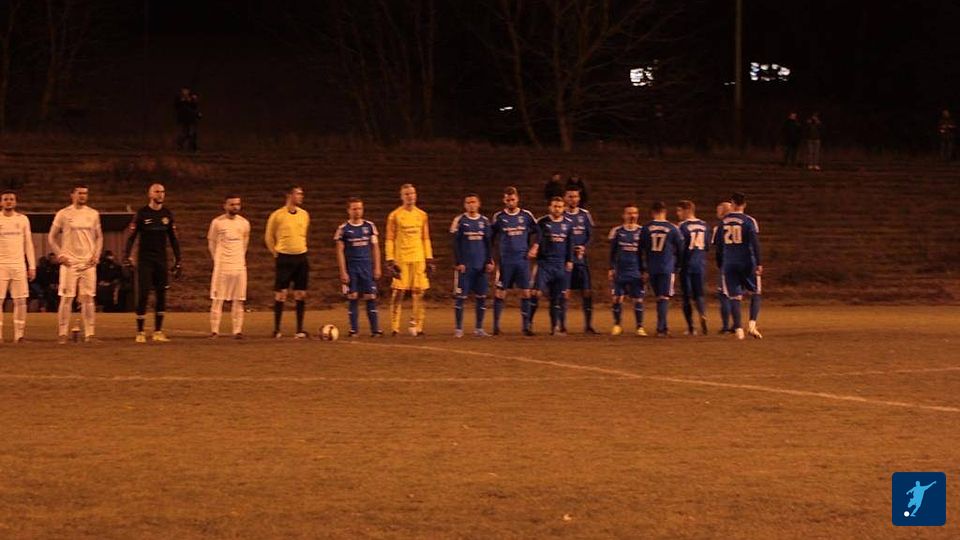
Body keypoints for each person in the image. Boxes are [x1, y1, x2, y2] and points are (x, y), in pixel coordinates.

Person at [124, 183, 182, 343]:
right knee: (143, 294)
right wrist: (127, 256)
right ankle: (140, 332)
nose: (160, 194)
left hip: (161, 260)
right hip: (145, 260)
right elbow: (131, 238)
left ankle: (158, 331)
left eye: (162, 191)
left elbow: (173, 239)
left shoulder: (167, 214)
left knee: (161, 294)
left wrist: (178, 259)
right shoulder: (142, 213)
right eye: (157, 191)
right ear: (150, 194)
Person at [48, 184, 102, 343]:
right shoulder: (63, 214)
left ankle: (90, 334)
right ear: (72, 195)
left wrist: (96, 255)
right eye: (80, 193)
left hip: (88, 263)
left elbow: (99, 236)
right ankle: (63, 334)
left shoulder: (93, 214)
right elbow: (51, 237)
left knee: (88, 298)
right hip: (69, 264)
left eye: (85, 193)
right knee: (66, 298)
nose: (83, 196)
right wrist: (60, 255)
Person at [385, 184, 434, 336]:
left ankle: (417, 326)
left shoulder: (422, 215)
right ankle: (395, 327)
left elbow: (425, 238)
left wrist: (429, 258)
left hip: (418, 258)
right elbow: (390, 238)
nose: (410, 196)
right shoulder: (394, 215)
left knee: (419, 292)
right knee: (398, 292)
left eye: (412, 193)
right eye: (406, 194)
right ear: (401, 196)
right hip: (401, 258)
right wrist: (390, 259)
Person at [490, 187, 538, 336]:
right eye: (508, 200)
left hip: (522, 260)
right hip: (505, 261)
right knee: (500, 292)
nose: (510, 202)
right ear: (504, 200)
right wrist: (490, 256)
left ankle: (526, 327)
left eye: (513, 199)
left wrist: (535, 247)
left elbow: (539, 232)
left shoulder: (526, 215)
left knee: (526, 292)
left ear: (517, 199)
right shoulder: (499, 217)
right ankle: (496, 327)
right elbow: (491, 237)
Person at [265, 185, 310, 339]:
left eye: (301, 194)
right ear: (289, 195)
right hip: (284, 258)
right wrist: (276, 253)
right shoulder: (277, 215)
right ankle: (277, 329)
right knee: (281, 294)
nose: (301, 196)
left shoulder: (304, 214)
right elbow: (269, 237)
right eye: (298, 194)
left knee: (301, 294)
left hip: (301, 257)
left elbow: (303, 234)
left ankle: (299, 329)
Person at [716, 191, 762, 340]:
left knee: (734, 296)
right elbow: (754, 243)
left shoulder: (723, 221)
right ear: (745, 204)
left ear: (732, 204)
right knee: (755, 293)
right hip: (747, 262)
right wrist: (759, 263)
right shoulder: (749, 221)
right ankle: (752, 325)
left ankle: (738, 330)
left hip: (729, 263)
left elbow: (719, 246)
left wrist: (720, 263)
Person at [334, 197, 382, 338]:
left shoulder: (370, 226)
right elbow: (339, 251)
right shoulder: (343, 229)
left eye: (360, 208)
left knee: (370, 296)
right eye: (354, 209)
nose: (357, 211)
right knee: (353, 296)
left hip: (367, 267)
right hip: (352, 268)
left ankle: (375, 330)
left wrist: (377, 267)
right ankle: (354, 330)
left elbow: (375, 248)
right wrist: (343, 271)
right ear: (348, 210)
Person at [450, 194, 494, 337]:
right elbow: (455, 243)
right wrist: (459, 262)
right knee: (460, 297)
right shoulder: (460, 220)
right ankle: (458, 329)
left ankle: (479, 328)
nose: (471, 205)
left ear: (478, 204)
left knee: (481, 297)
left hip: (480, 266)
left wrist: (489, 261)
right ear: (465, 205)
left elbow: (488, 243)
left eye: (473, 202)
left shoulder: (484, 221)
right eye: (468, 202)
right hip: (465, 267)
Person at [207, 195, 250, 338]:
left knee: (239, 299)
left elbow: (245, 243)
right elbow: (212, 243)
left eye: (237, 204)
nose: (235, 207)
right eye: (232, 204)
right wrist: (218, 260)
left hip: (239, 266)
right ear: (225, 206)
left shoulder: (244, 223)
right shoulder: (217, 223)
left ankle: (237, 331)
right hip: (222, 267)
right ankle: (215, 330)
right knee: (217, 299)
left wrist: (239, 258)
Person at [640, 201, 682, 337]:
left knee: (659, 297)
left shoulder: (646, 228)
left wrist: (643, 268)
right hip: (666, 267)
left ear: (652, 212)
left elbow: (640, 250)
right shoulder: (673, 228)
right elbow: (680, 249)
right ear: (665, 212)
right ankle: (661, 328)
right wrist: (678, 265)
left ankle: (663, 326)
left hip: (652, 267)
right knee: (664, 297)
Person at [0, 190, 36, 342]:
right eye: (6, 199)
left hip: (19, 265)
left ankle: (19, 335)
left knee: (21, 301)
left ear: (15, 202)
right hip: (1, 265)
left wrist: (32, 266)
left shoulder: (23, 220)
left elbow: (28, 243)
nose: (9, 201)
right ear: (1, 202)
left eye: (11, 199)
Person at [534, 197, 573, 336]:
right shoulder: (542, 222)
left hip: (560, 265)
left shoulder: (568, 224)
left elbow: (570, 243)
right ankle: (528, 324)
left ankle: (556, 327)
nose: (557, 209)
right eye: (555, 206)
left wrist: (570, 260)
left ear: (563, 208)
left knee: (558, 297)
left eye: (560, 206)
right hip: (544, 264)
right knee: (536, 293)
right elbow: (536, 239)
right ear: (550, 207)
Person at [608, 204, 646, 337]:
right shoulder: (617, 231)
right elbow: (612, 252)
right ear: (624, 215)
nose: (632, 216)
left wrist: (644, 270)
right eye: (629, 213)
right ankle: (617, 325)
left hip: (636, 271)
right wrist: (611, 268)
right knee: (617, 298)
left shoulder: (642, 231)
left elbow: (644, 253)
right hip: (620, 271)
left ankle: (639, 327)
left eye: (634, 213)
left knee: (638, 299)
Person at [563, 187, 597, 333]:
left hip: (581, 260)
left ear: (579, 198)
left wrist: (584, 247)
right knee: (565, 292)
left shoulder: (585, 214)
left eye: (575, 196)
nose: (573, 199)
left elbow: (590, 235)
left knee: (587, 291)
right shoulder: (561, 214)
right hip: (566, 260)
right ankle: (562, 325)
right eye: (570, 196)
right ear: (565, 198)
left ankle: (588, 325)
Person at [676, 200, 710, 336]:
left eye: (679, 211)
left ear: (687, 210)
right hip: (700, 264)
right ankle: (702, 314)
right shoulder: (704, 225)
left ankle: (691, 327)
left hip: (686, 264)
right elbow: (707, 246)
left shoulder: (682, 226)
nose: (678, 214)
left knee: (686, 296)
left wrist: (677, 264)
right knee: (699, 294)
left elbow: (680, 248)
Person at [711, 201, 733, 334]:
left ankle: (726, 326)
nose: (717, 213)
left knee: (723, 294)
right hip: (742, 263)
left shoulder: (720, 226)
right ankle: (737, 324)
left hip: (727, 263)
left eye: (718, 210)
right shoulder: (742, 223)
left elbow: (718, 249)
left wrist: (720, 264)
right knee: (735, 295)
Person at [175, 87, 200, 152]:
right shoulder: (179, 100)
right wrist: (183, 101)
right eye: (184, 91)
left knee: (193, 133)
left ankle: (193, 148)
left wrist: (193, 100)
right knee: (184, 134)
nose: (185, 92)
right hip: (183, 119)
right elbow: (177, 107)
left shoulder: (191, 99)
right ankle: (180, 146)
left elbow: (195, 107)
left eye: (186, 91)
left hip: (191, 119)